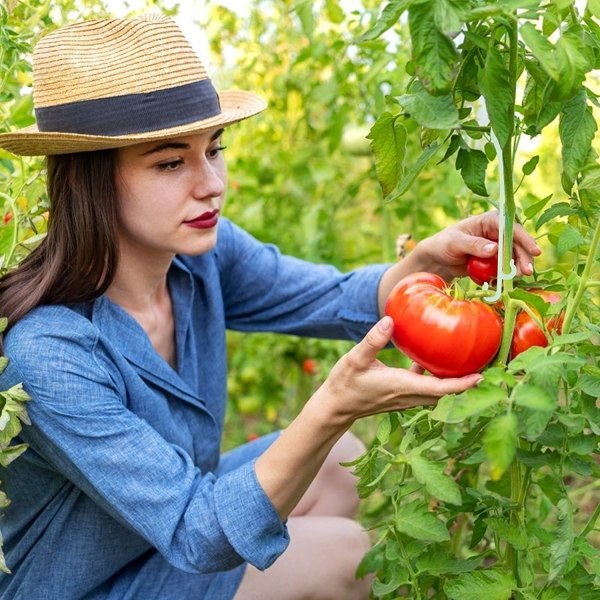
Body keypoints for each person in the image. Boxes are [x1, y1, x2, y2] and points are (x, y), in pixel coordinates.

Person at [0, 14, 541, 600]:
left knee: (342, 462)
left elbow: (328, 297)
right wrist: (333, 405)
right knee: (344, 556)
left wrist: (424, 267)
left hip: (156, 537)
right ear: (91, 180)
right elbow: (196, 532)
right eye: (170, 162)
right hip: (84, 585)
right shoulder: (49, 352)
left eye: (214, 150)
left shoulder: (198, 258)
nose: (210, 184)